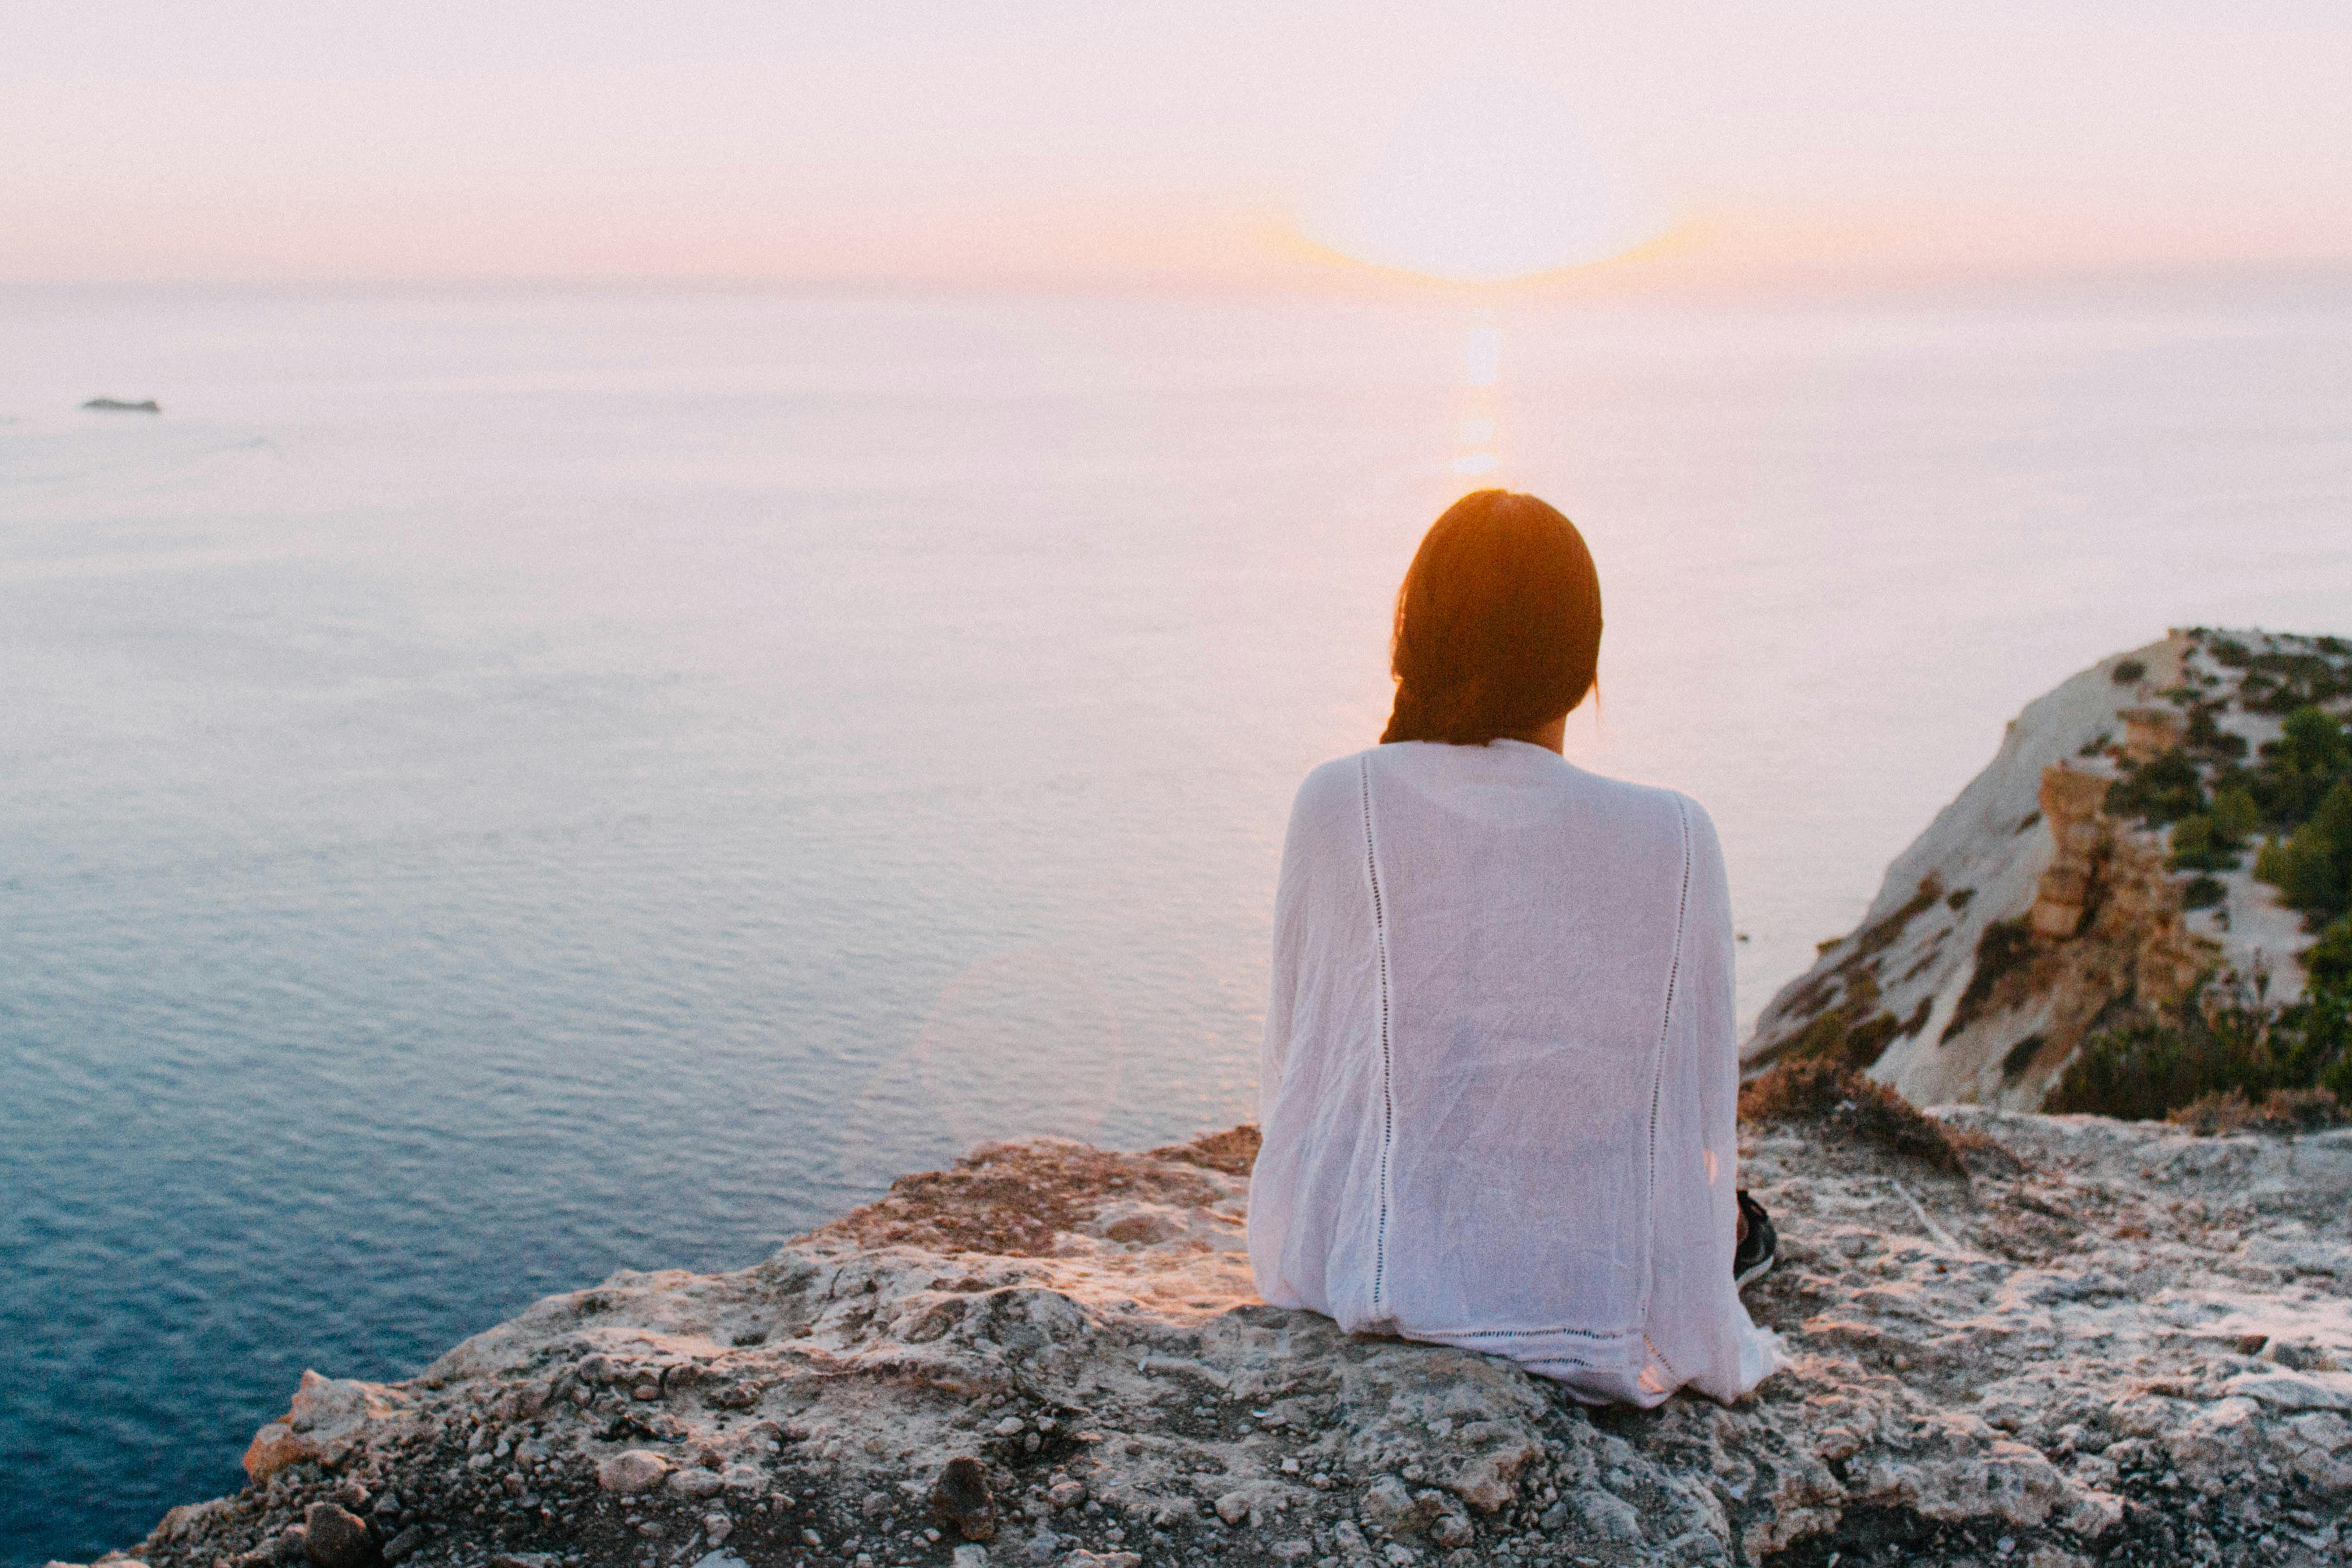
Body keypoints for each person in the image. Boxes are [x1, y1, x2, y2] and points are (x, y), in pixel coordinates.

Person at [1246, 490, 1781, 1407]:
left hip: (1376, 1266)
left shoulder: (1338, 802)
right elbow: (1693, 1111)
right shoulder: (1677, 835)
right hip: (1589, 1280)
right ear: (1580, 664)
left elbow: (1301, 1078)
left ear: (1412, 639)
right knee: (1731, 1222)